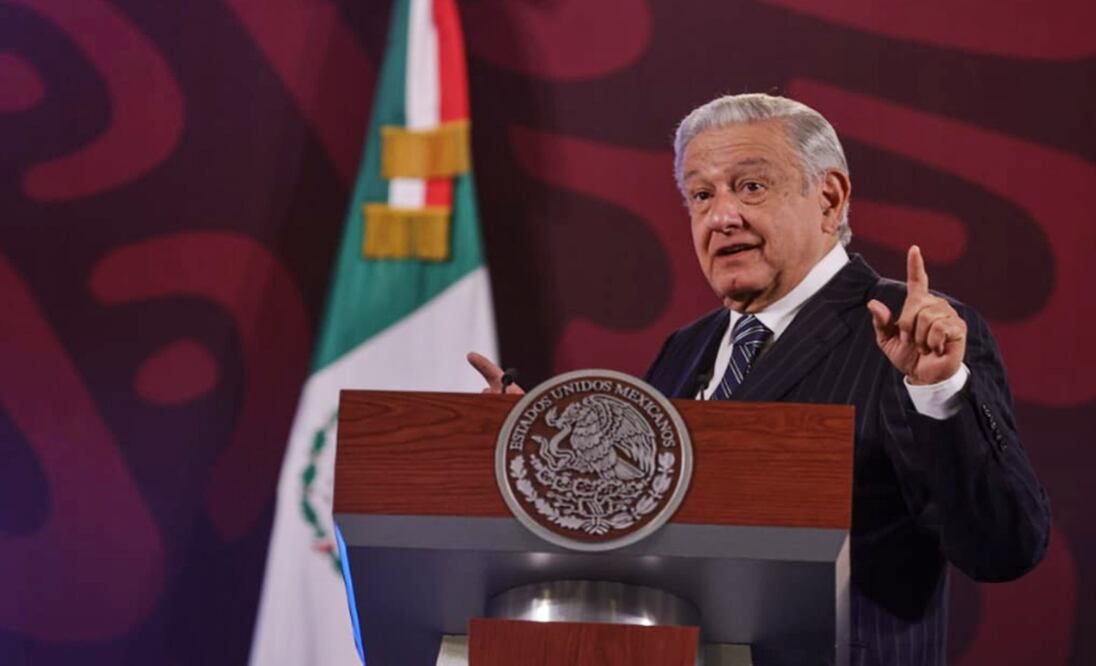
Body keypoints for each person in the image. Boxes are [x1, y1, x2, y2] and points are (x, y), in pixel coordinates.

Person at [469, 93, 1050, 665]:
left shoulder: (911, 333)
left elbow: (1001, 548)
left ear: (828, 198)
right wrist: (548, 457)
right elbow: (655, 526)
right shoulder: (686, 349)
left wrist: (939, 392)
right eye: (701, 195)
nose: (722, 217)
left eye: (750, 186)